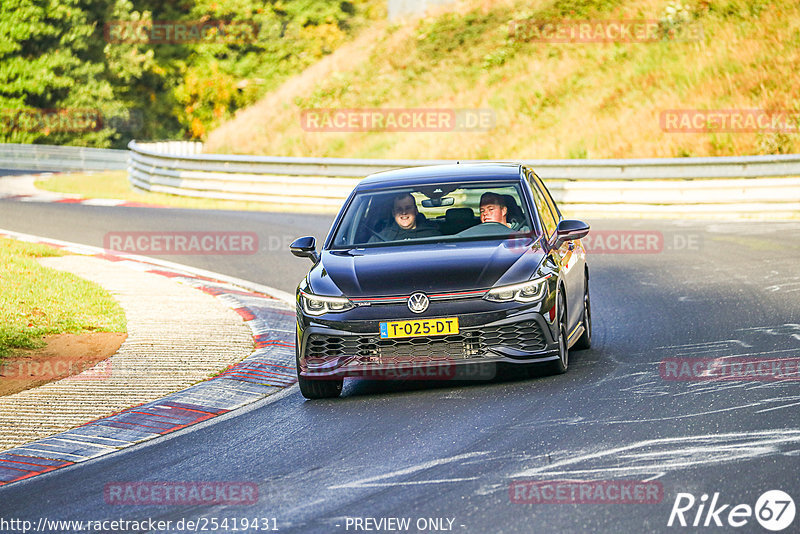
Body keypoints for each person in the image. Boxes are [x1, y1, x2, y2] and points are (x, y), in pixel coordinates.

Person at [371, 193, 441, 241]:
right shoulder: (380, 239)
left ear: (416, 211)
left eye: (408, 208)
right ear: (393, 213)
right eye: (399, 209)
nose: (404, 212)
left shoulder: (433, 236)